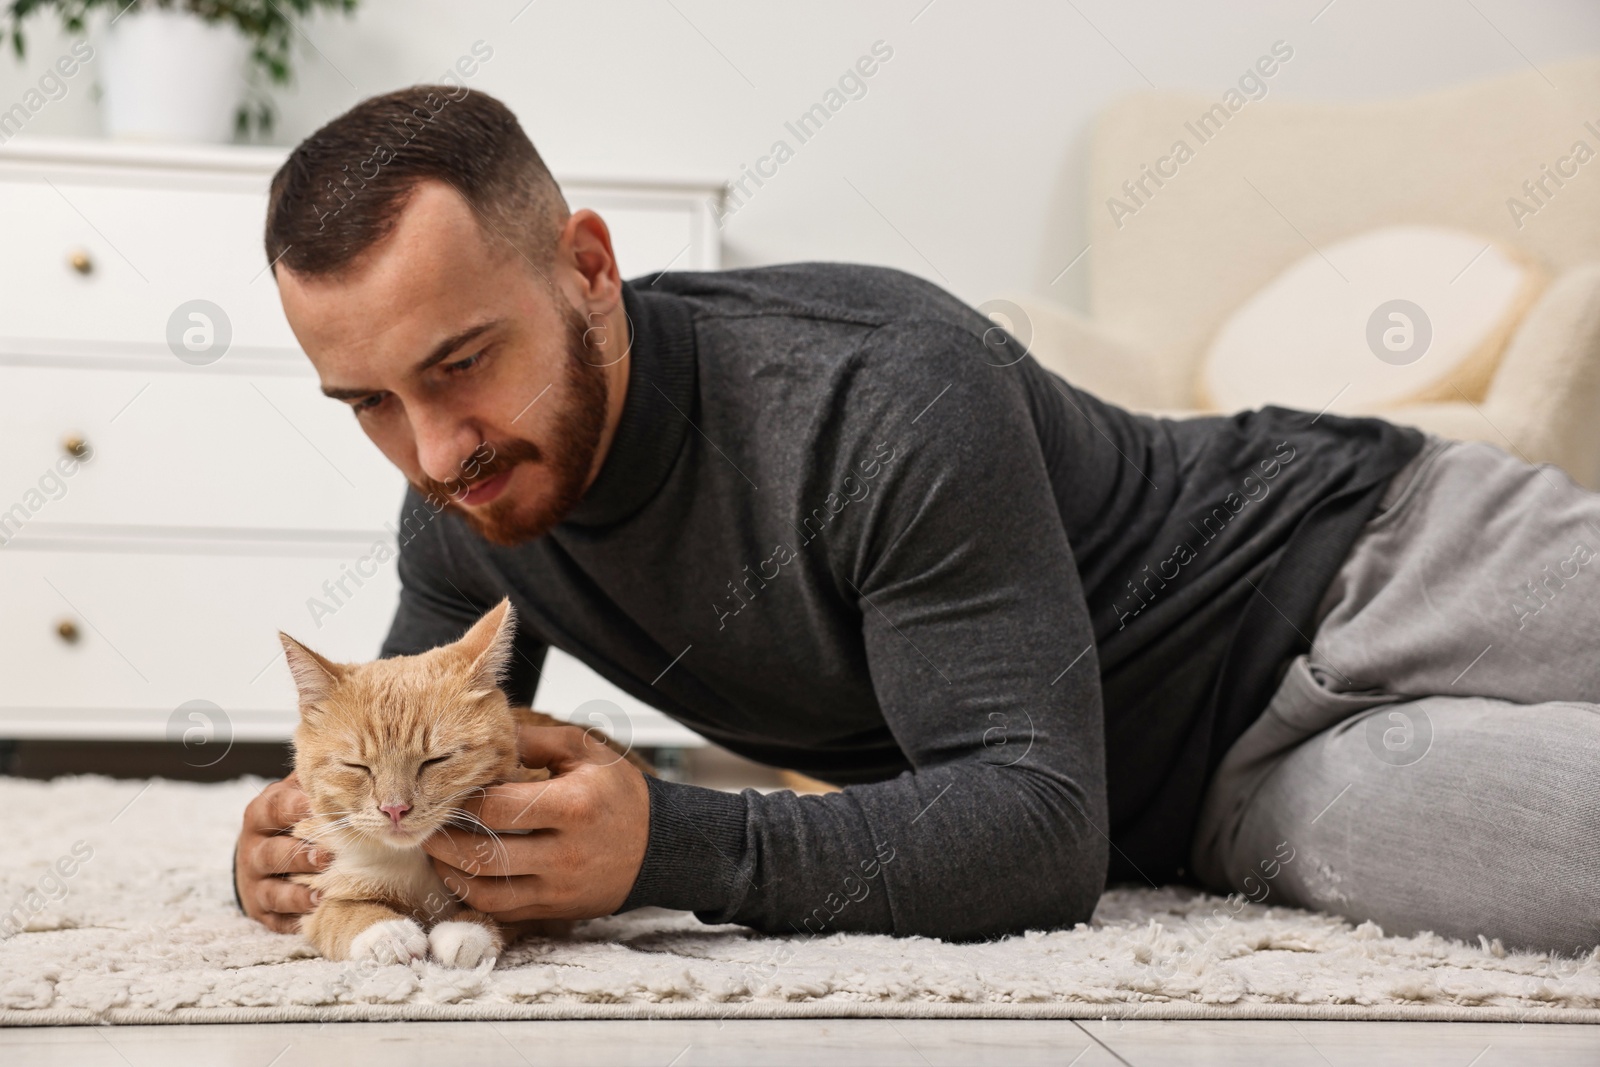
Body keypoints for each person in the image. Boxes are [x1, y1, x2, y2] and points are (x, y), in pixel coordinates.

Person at [235, 85, 1600, 954]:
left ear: (587, 266)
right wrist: (294, 858)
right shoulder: (465, 508)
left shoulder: (875, 387)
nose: (432, 452)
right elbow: (407, 783)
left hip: (1382, 549)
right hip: (1228, 802)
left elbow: (1028, 820)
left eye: (462, 363)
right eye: (369, 401)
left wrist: (677, 842)